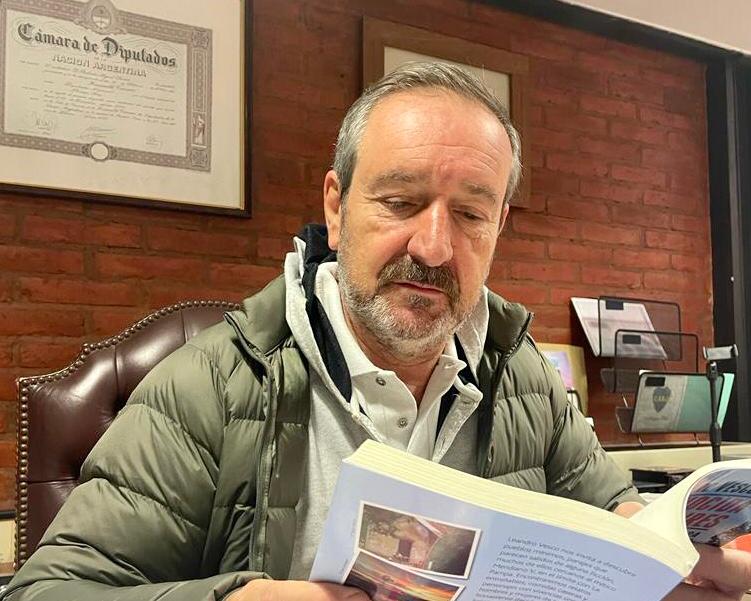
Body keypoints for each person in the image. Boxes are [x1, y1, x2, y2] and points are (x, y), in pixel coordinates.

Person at [3, 63, 750, 601]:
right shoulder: (210, 386)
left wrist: (664, 551)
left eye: (470, 214)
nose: (434, 247)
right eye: (399, 201)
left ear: (499, 225)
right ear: (335, 207)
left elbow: (610, 507)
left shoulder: (518, 371)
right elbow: (50, 590)